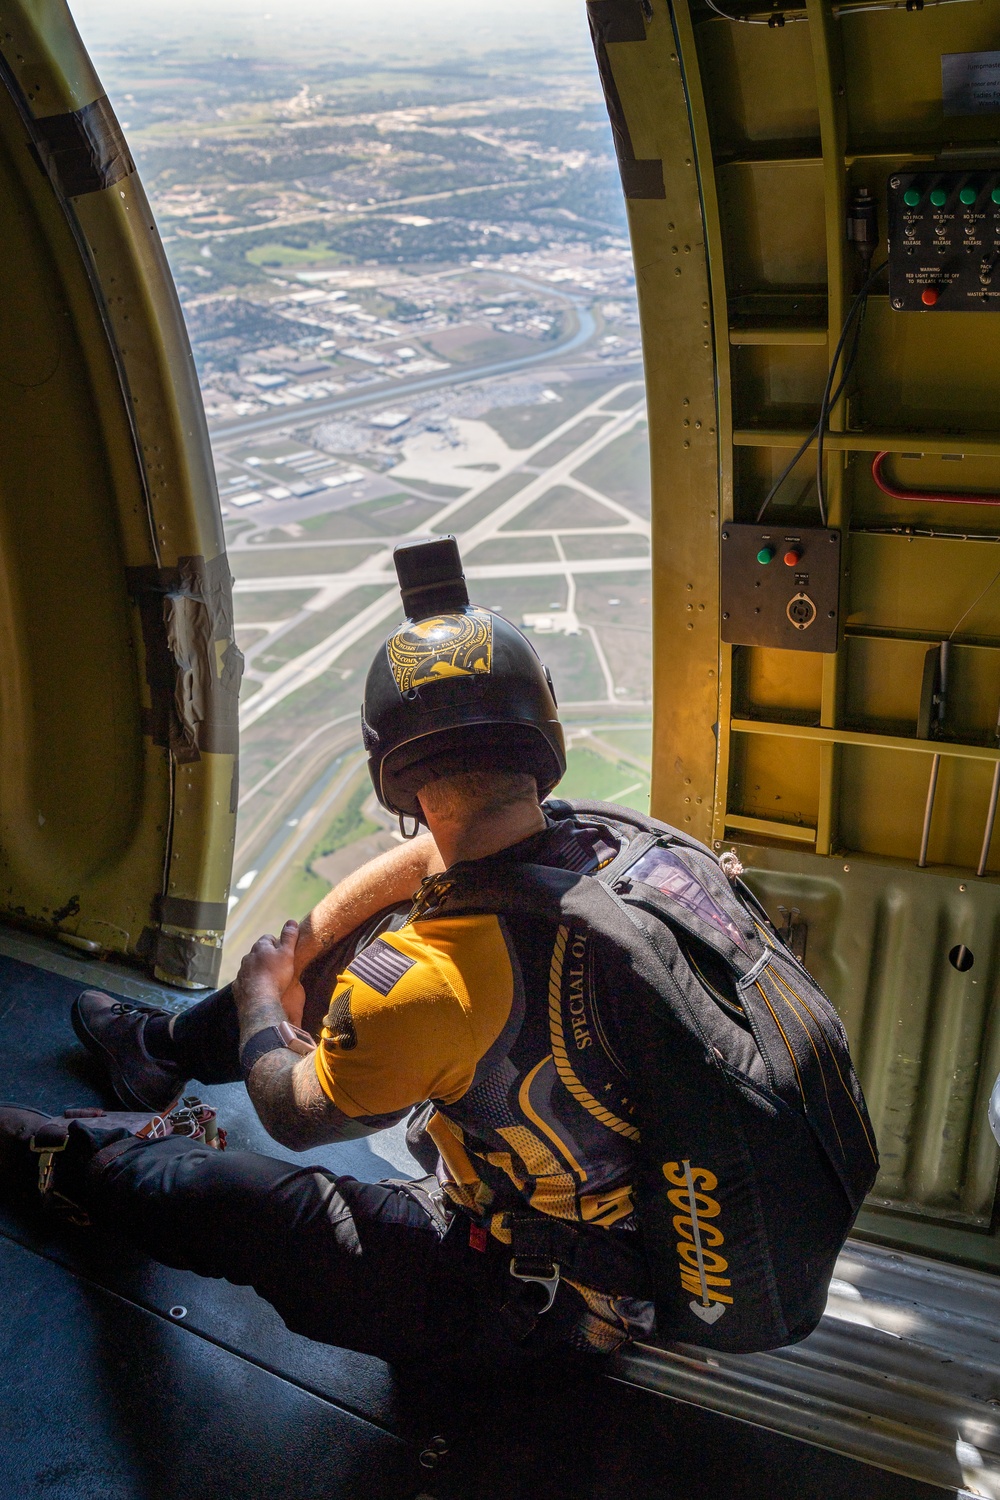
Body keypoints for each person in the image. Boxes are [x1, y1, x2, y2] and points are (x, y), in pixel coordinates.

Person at [0, 537, 656, 1373]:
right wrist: (300, 953)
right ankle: (155, 1052)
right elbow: (427, 864)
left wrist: (262, 1002)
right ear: (543, 733)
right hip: (649, 1219)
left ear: (393, 773)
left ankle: (74, 1164)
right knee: (342, 947)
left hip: (545, 1303)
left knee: (238, 1202)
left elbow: (292, 1113)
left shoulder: (427, 988)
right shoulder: (620, 842)